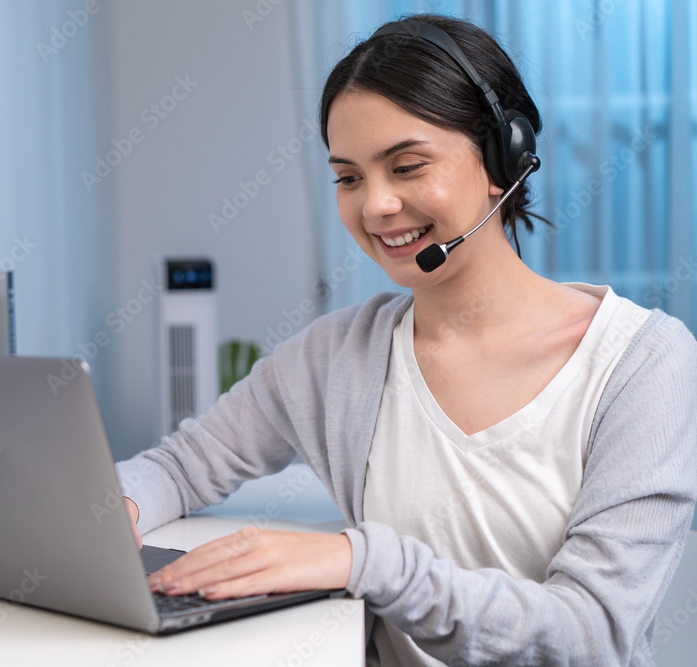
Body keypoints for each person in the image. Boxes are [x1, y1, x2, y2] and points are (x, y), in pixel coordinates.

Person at [115, 13, 697, 665]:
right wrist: (110, 512)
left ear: (506, 157)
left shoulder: (645, 363)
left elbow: (590, 634)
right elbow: (178, 465)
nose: (375, 206)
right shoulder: (333, 357)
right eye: (349, 177)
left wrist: (361, 560)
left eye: (408, 165)